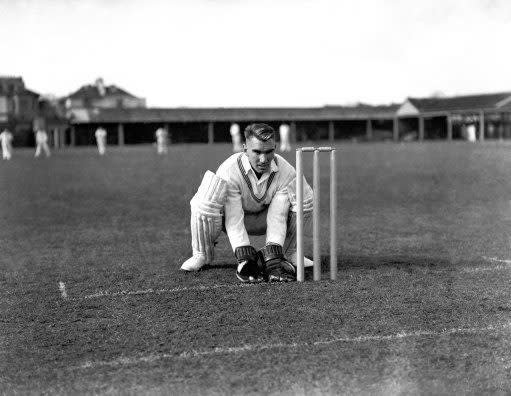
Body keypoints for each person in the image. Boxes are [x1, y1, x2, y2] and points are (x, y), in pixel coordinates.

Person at [180, 123, 314, 283]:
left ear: (275, 148)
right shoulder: (230, 169)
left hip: (265, 218)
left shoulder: (286, 170)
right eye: (256, 152)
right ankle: (200, 254)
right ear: (244, 149)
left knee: (304, 197)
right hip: (232, 218)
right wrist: (244, 256)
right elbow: (233, 217)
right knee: (206, 199)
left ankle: (289, 253)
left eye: (269, 152)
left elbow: (278, 215)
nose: (263, 159)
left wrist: (273, 255)